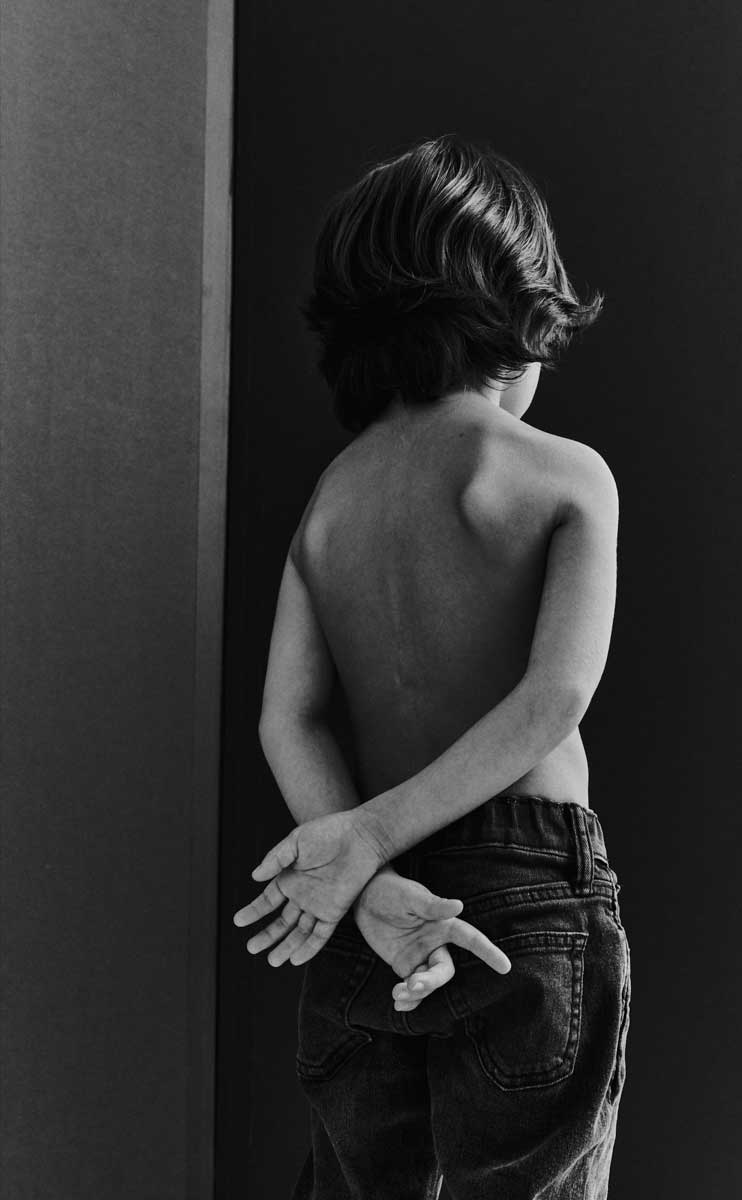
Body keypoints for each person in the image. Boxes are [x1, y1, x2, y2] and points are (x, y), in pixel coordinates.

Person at [233, 133, 631, 1199]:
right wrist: (359, 841)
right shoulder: (562, 476)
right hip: (521, 888)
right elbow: (553, 697)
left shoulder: (331, 500)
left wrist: (360, 866)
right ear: (516, 317)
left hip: (370, 904)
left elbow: (290, 719)